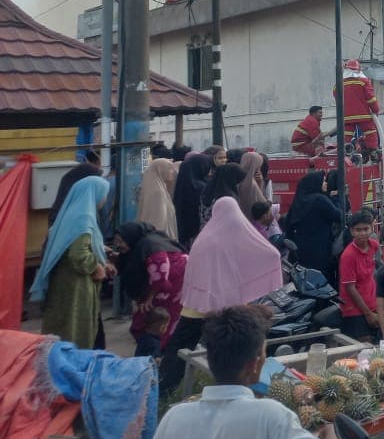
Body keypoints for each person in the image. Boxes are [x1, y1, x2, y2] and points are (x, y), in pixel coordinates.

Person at [146, 305, 345, 439]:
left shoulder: (173, 418)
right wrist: (331, 428)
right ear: (255, 363)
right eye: (265, 353)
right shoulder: (269, 415)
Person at [158, 196, 283, 396]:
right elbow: (264, 252)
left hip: (197, 306)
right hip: (221, 309)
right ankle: (233, 388)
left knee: (180, 348)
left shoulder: (207, 236)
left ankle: (165, 388)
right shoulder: (225, 236)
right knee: (226, 352)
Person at [30, 175, 116, 349]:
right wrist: (96, 266)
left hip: (63, 283)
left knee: (61, 330)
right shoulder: (83, 218)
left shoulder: (71, 214)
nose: (105, 198)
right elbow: (78, 254)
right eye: (104, 193)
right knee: (74, 332)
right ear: (94, 193)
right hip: (76, 286)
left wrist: (100, 256)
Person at [112, 221, 187, 347]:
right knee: (151, 318)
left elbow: (160, 277)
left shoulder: (150, 245)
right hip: (164, 282)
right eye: (116, 241)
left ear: (130, 237)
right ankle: (156, 347)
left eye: (121, 241)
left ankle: (159, 349)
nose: (118, 245)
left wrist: (149, 297)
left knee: (158, 317)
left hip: (174, 280)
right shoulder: (140, 245)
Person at [282, 171, 343, 282]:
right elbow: (339, 216)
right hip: (320, 250)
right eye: (323, 181)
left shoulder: (298, 200)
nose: (325, 183)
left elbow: (288, 224)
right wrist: (336, 198)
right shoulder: (319, 199)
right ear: (315, 183)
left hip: (300, 251)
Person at [337, 210, 381, 342]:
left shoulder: (374, 245)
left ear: (371, 228)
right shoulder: (348, 255)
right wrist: (368, 314)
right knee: (365, 348)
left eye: (366, 229)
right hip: (354, 308)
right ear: (351, 231)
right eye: (358, 230)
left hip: (372, 303)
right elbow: (350, 288)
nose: (362, 233)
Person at [336, 59, 381, 154]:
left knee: (346, 134)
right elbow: (371, 99)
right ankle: (373, 152)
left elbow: (337, 98)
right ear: (358, 70)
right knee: (371, 132)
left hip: (346, 116)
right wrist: (376, 110)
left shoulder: (338, 84)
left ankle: (345, 151)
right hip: (363, 115)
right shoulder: (363, 81)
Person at [172, 152, 213, 248]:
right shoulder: (203, 187)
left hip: (183, 232)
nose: (209, 169)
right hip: (199, 232)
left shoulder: (181, 184)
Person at [137, 157, 179, 239]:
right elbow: (158, 222)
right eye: (169, 169)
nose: (172, 172)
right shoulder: (158, 193)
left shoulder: (156, 188)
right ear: (161, 170)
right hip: (159, 240)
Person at [200, 162, 247, 230]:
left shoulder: (209, 188)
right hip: (220, 233)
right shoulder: (227, 198)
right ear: (232, 178)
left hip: (206, 230)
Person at [237, 151, 266, 217]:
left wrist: (259, 183)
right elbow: (262, 204)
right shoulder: (251, 184)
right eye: (258, 165)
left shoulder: (236, 179)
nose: (259, 168)